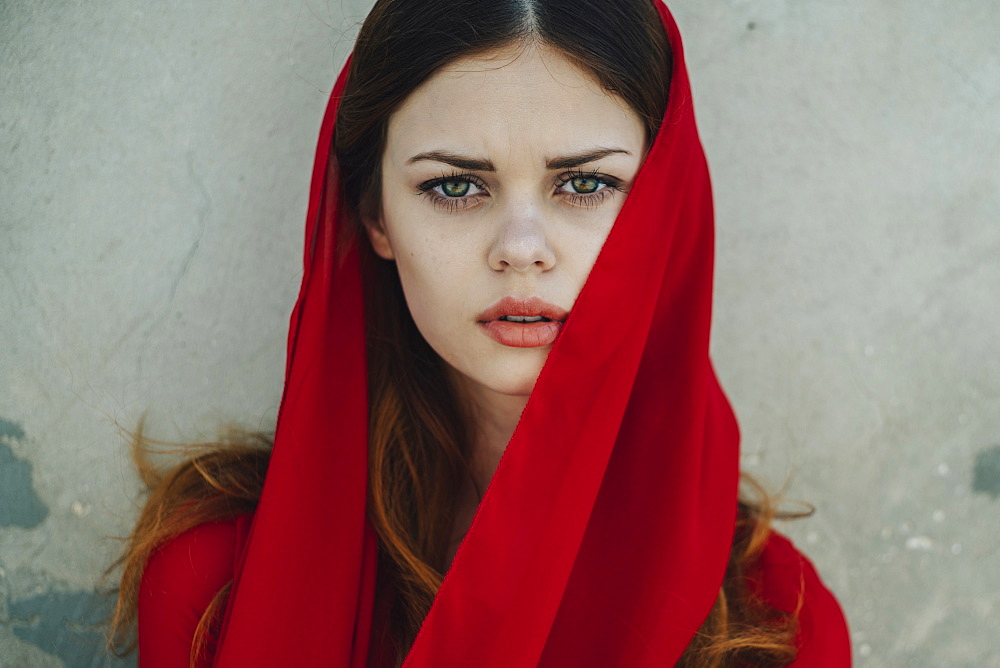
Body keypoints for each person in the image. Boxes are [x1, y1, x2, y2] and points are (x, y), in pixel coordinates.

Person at [109, 1, 851, 666]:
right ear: (374, 216)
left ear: (665, 211)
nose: (522, 248)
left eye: (585, 184)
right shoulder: (214, 581)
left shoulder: (777, 625)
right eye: (456, 185)